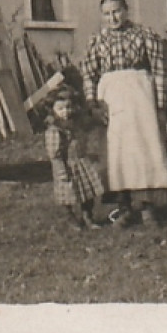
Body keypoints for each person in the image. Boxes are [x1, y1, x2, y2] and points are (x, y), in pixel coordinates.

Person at [81, 0, 167, 227]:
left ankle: (147, 206)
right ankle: (123, 207)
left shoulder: (145, 35)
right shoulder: (97, 41)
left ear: (126, 10)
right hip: (111, 100)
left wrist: (161, 104)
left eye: (116, 11)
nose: (112, 18)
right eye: (107, 14)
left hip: (140, 98)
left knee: (142, 149)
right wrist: (93, 103)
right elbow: (88, 75)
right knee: (116, 152)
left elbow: (160, 70)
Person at [44, 85, 104, 230]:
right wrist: (61, 172)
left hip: (80, 162)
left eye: (68, 107)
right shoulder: (55, 130)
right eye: (61, 109)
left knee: (87, 193)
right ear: (53, 110)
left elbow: (84, 135)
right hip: (66, 166)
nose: (66, 112)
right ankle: (70, 217)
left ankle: (87, 216)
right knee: (67, 195)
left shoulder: (75, 123)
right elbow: (55, 154)